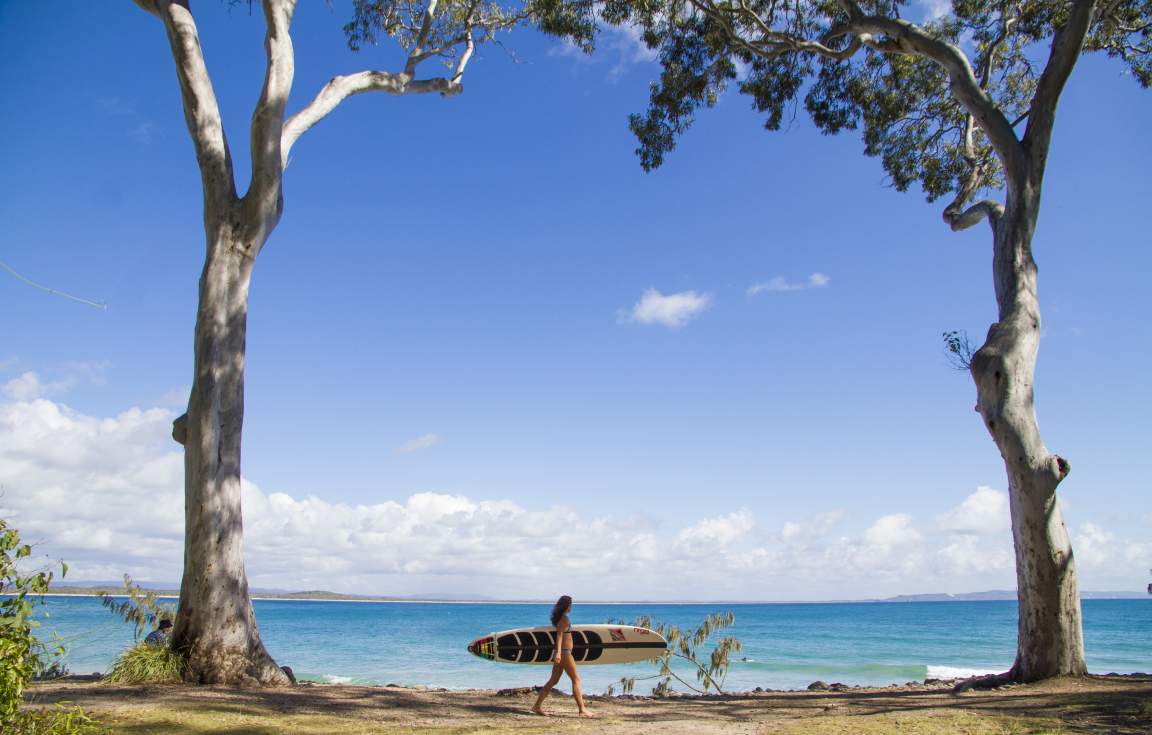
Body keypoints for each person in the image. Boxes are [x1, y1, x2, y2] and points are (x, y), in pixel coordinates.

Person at [531, 595, 594, 717]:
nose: (571, 607)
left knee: (553, 681)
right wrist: (559, 653)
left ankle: (536, 706)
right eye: (570, 605)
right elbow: (559, 636)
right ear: (567, 606)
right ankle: (582, 709)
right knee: (576, 680)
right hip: (564, 653)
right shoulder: (564, 619)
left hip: (563, 653)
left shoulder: (561, 618)